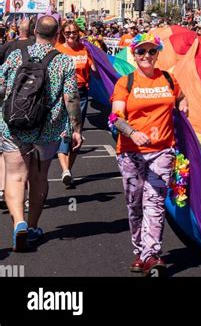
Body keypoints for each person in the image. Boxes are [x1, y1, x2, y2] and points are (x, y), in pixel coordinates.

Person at [0, 16, 82, 250]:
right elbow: (71, 98)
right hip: (47, 129)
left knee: (15, 176)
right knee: (39, 177)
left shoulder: (16, 56)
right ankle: (33, 225)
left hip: (14, 126)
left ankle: (19, 222)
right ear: (58, 35)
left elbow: (1, 85)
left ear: (35, 31)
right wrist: (76, 129)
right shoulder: (64, 62)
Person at [111, 32, 188, 276]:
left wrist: (184, 107)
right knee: (135, 205)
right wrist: (132, 133)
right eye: (141, 52)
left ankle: (151, 254)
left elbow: (181, 99)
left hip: (162, 151)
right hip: (131, 153)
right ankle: (139, 250)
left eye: (151, 51)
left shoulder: (168, 79)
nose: (146, 56)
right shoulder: (126, 82)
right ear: (134, 55)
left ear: (157, 54)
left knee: (154, 203)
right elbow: (115, 117)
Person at [56, 21, 95, 187]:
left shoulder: (84, 49)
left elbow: (94, 69)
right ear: (63, 34)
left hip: (82, 94)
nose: (71, 35)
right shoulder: (58, 50)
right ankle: (64, 169)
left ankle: (68, 170)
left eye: (74, 32)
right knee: (65, 131)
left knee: (77, 133)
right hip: (63, 94)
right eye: (67, 33)